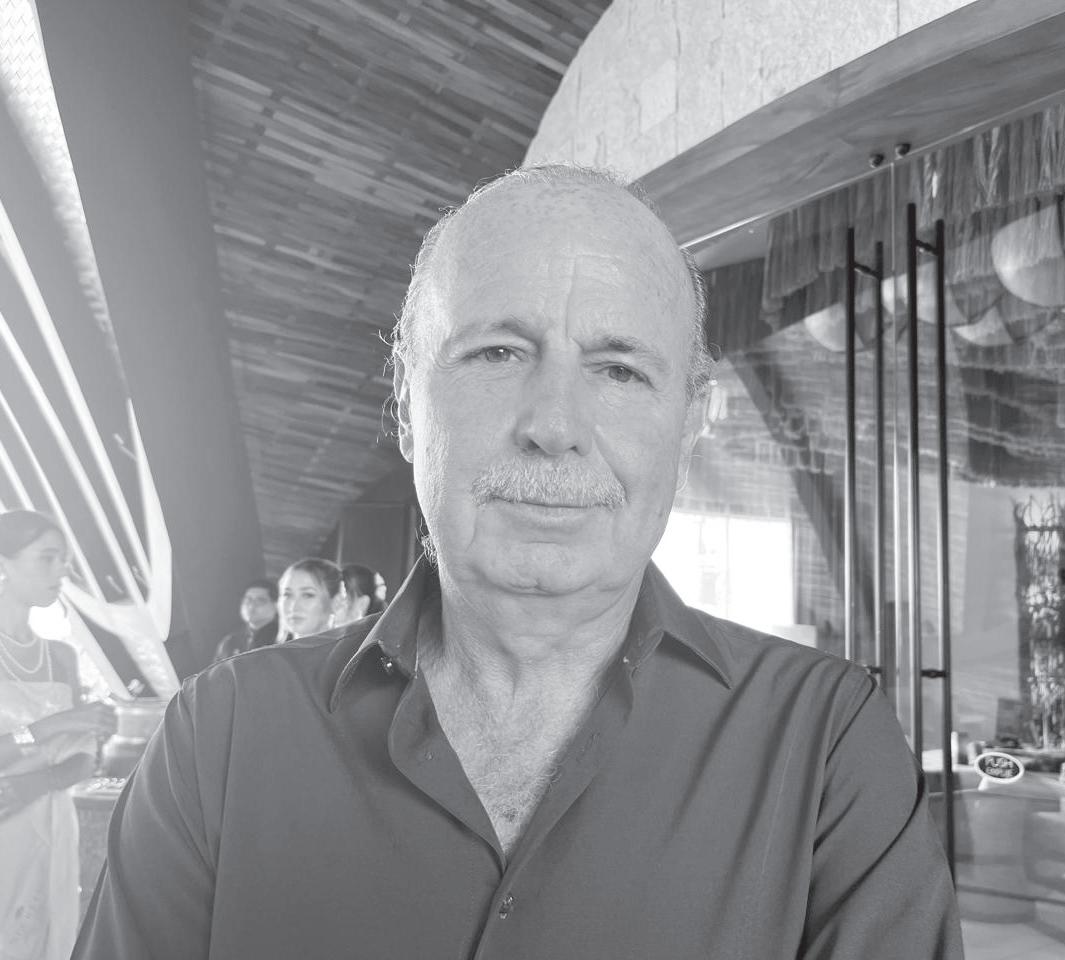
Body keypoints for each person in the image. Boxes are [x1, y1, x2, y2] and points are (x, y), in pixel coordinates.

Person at [74, 165, 962, 958]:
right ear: (406, 406)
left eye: (618, 370)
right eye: (497, 353)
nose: (554, 425)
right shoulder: (219, 739)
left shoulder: (827, 745)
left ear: (690, 423)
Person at [0, 510, 116, 960]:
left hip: (52, 822)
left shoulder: (62, 656)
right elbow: (62, 731)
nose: (60, 571)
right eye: (46, 558)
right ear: (5, 563)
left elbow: (85, 759)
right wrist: (53, 726)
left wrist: (42, 780)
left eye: (63, 560)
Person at [276, 557, 346, 641]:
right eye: (287, 595)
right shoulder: (269, 649)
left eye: (307, 595)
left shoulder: (351, 648)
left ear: (336, 602)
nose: (293, 607)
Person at [211, 579, 279, 662]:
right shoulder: (230, 642)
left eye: (260, 601)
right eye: (248, 600)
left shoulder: (282, 638)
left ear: (276, 605)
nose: (251, 606)